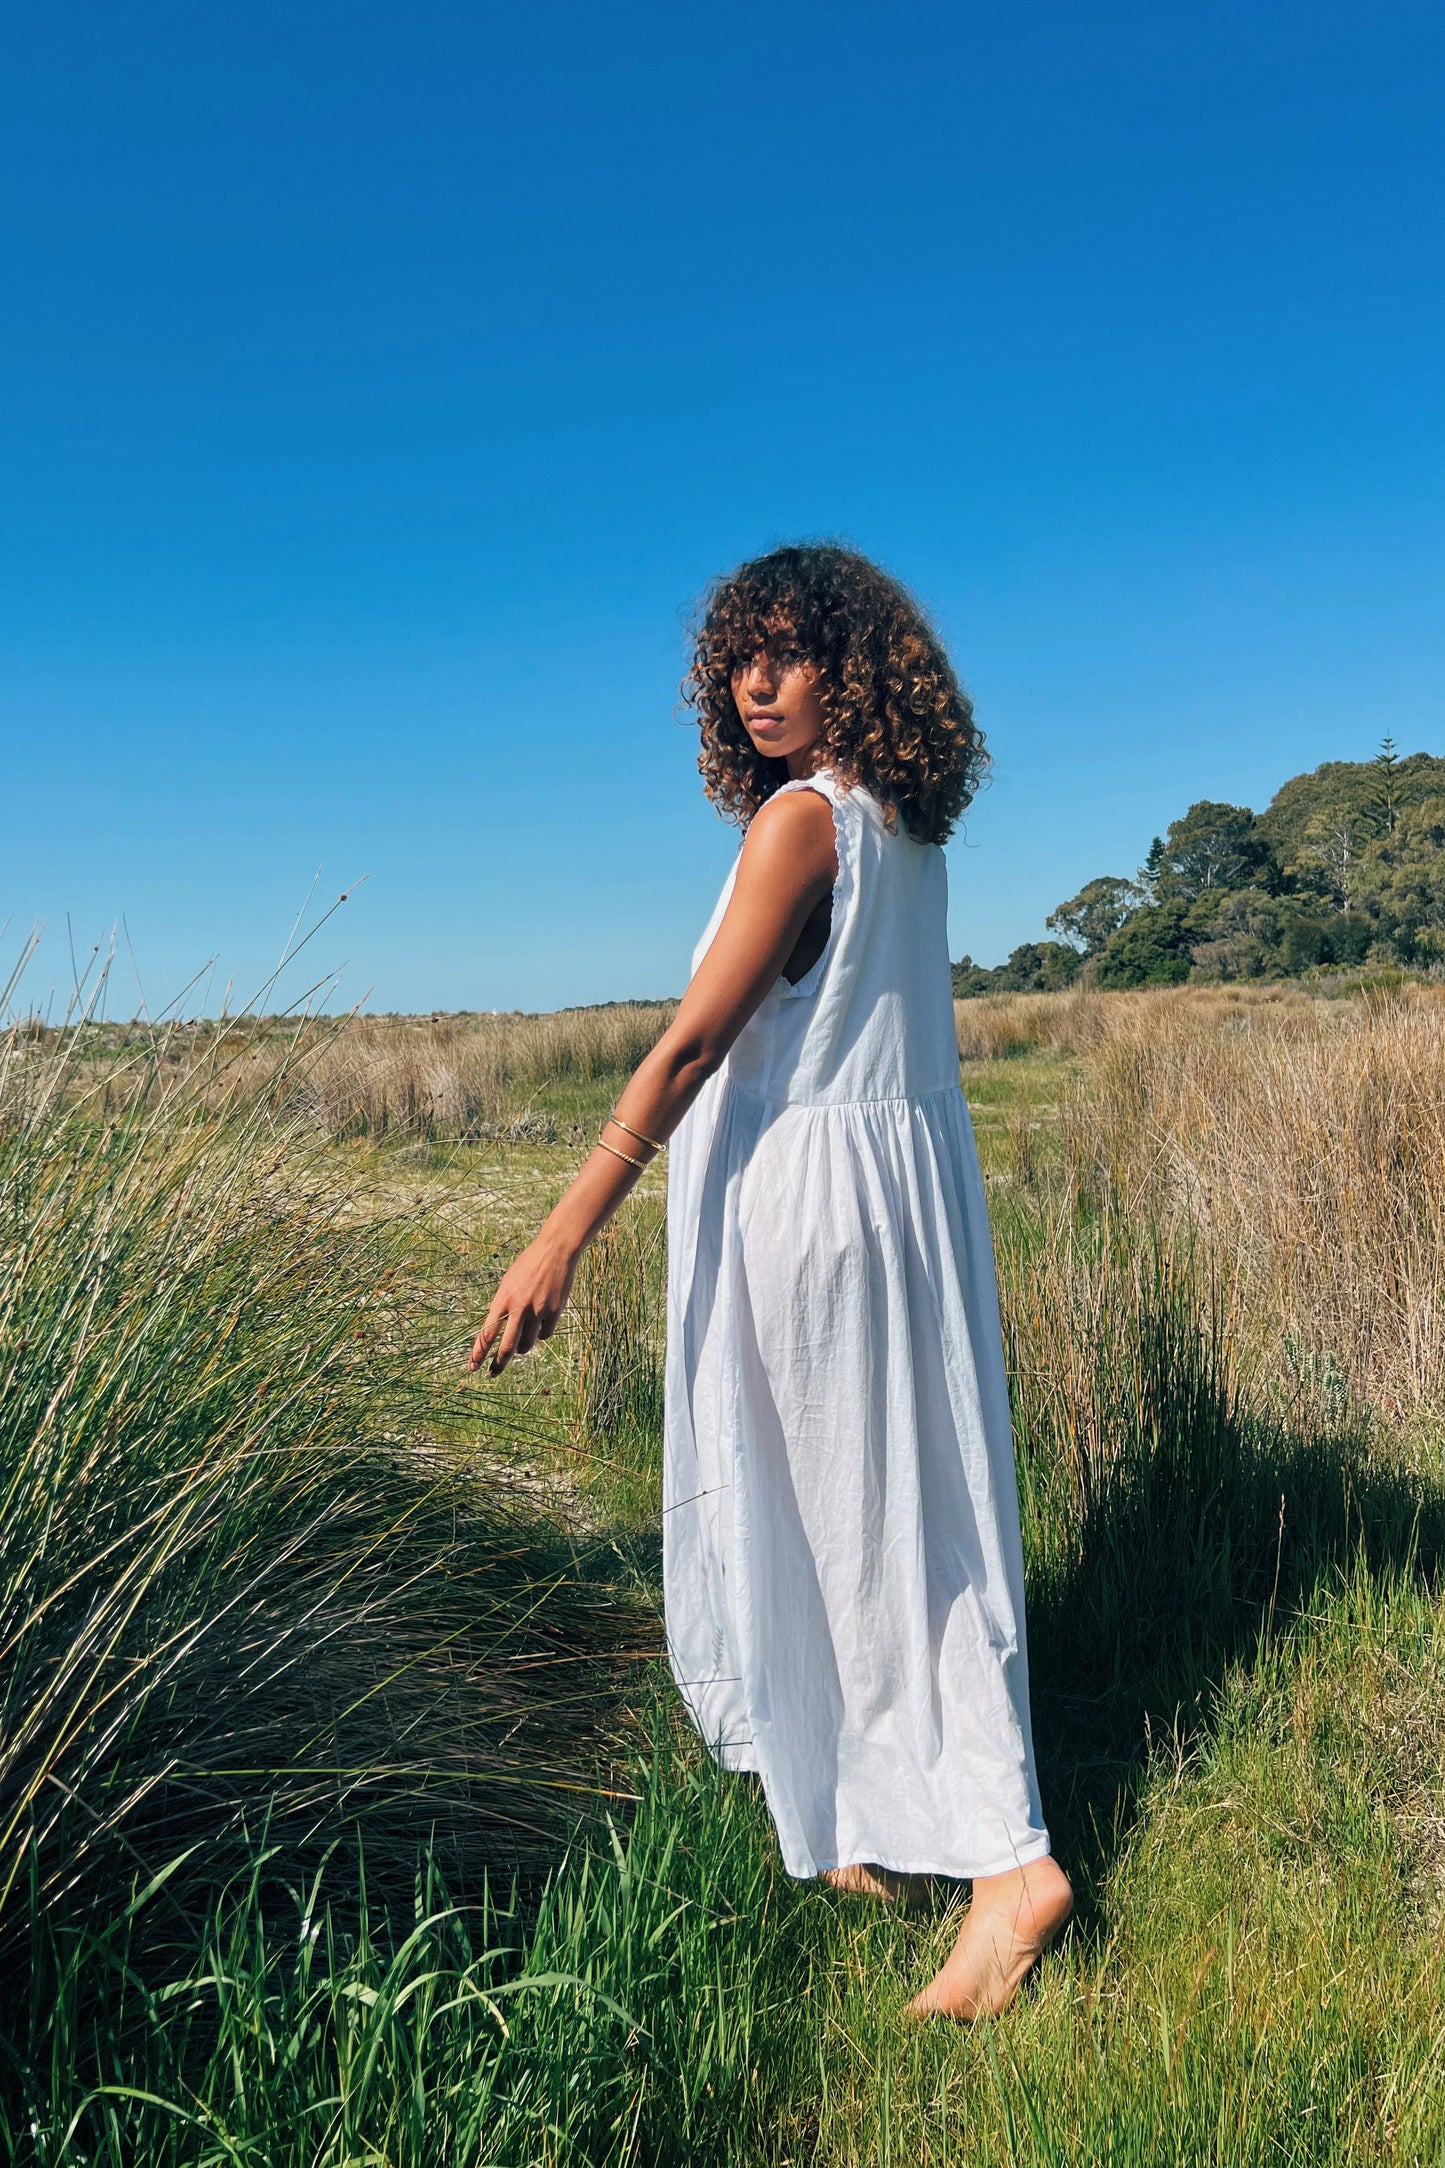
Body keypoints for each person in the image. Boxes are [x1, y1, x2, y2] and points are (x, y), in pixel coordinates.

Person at [470, 543, 1072, 2019]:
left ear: (853, 673)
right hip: (902, 1196)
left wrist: (560, 1232)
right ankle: (864, 1816)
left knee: (863, 1531)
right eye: (741, 654)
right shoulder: (900, 830)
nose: (755, 681)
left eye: (790, 654)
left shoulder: (805, 825)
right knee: (886, 1517)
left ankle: (1009, 1865)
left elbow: (683, 1051)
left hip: (809, 1205)